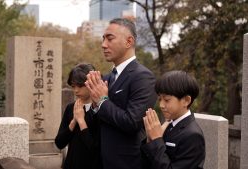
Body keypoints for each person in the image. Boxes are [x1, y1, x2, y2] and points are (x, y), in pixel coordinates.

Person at [85, 18, 157, 169]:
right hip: (102, 160)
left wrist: (103, 101)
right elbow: (94, 125)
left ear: (129, 42)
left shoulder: (142, 76)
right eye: (103, 38)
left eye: (110, 38)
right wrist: (93, 105)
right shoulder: (106, 78)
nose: (103, 44)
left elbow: (132, 122)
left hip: (128, 162)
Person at [141, 70, 205, 169]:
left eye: (166, 100)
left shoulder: (193, 135)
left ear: (186, 100)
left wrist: (156, 140)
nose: (161, 105)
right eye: (160, 99)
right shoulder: (168, 124)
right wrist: (150, 140)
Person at [55, 63, 101, 169]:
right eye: (73, 86)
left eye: (80, 86)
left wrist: (81, 121)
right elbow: (59, 143)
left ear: (91, 83)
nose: (76, 90)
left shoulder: (100, 109)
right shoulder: (71, 108)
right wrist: (73, 122)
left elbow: (94, 148)